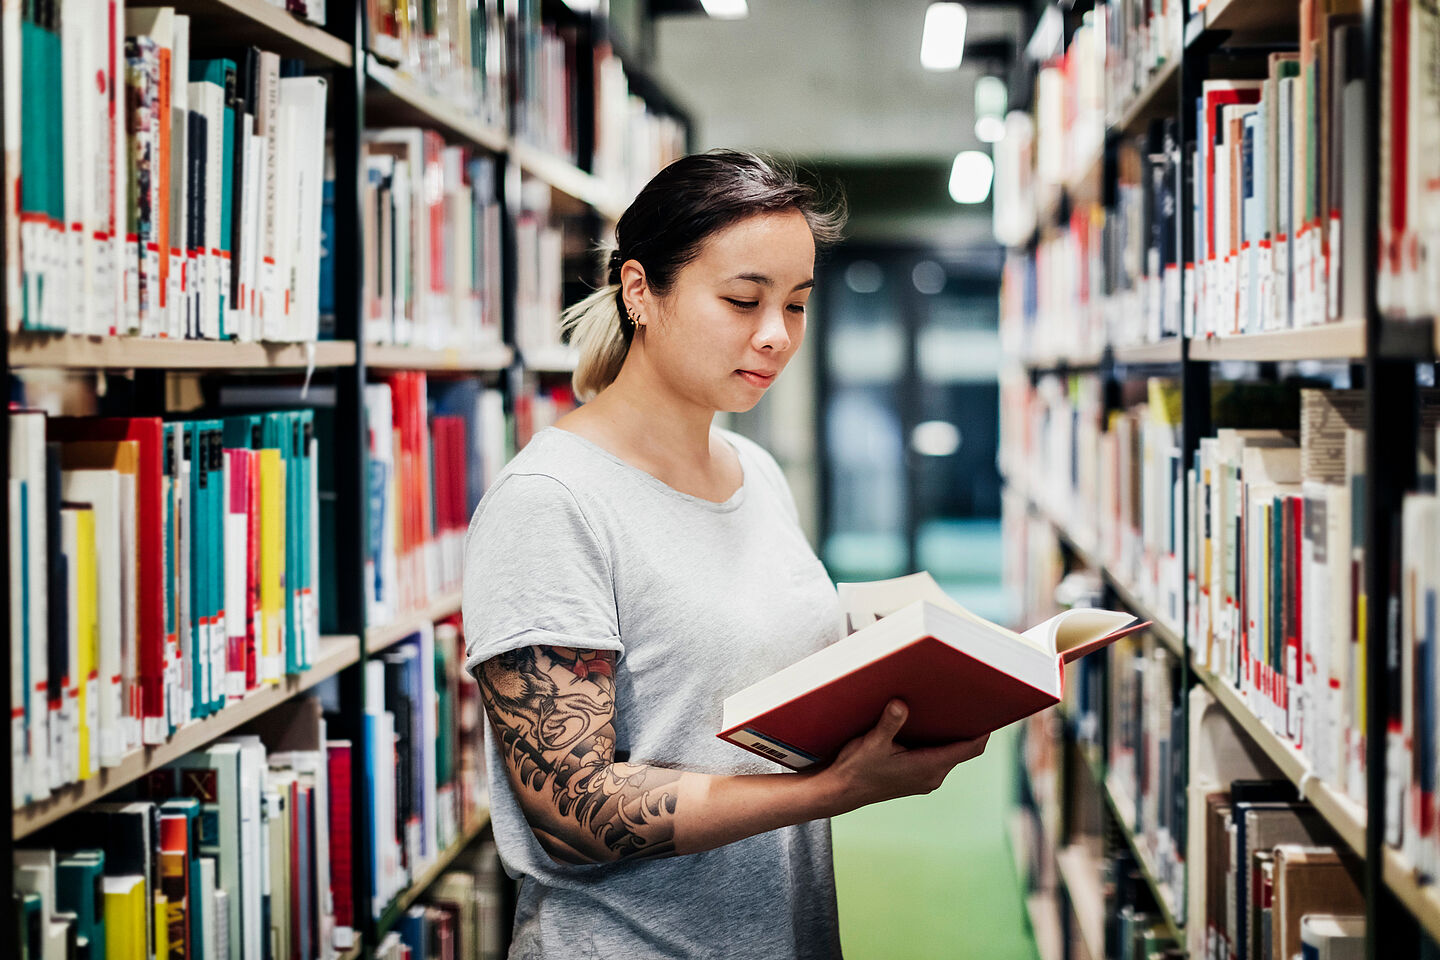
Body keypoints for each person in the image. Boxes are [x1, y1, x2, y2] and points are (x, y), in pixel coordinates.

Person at [462, 150, 990, 959]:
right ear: (641, 290)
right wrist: (829, 792)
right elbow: (573, 810)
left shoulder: (757, 473)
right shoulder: (552, 502)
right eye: (743, 300)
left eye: (798, 305)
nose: (776, 336)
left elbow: (715, 659)